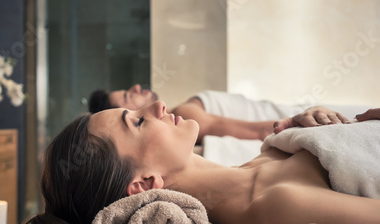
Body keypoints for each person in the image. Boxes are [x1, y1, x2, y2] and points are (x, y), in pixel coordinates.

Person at [8, 102, 380, 224]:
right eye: (137, 122)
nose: (157, 107)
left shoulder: (257, 164)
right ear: (143, 183)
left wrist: (330, 129)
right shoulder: (273, 205)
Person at [88, 85, 356, 143]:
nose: (135, 88)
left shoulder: (183, 111)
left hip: (314, 116)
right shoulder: (186, 115)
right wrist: (312, 124)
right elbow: (259, 131)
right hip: (318, 123)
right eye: (127, 97)